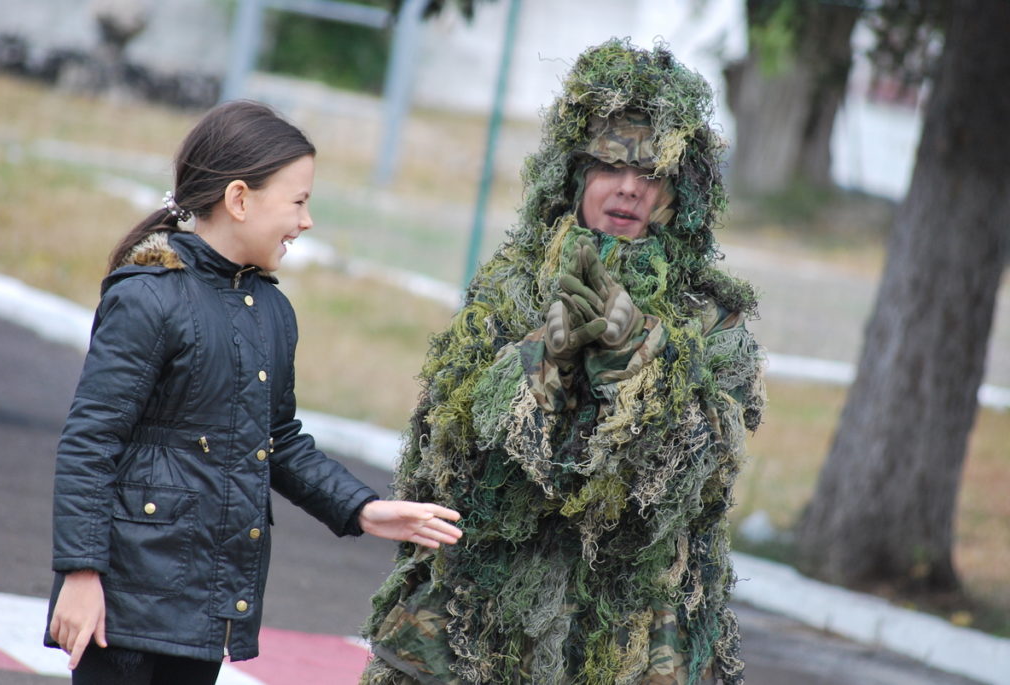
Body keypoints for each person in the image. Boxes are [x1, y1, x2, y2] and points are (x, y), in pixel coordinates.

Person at [360, 39, 765, 685]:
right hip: (479, 632)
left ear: (681, 192)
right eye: (609, 165)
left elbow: (690, 476)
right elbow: (451, 456)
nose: (629, 188)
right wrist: (543, 360)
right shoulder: (512, 287)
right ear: (575, 174)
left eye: (652, 173)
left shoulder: (712, 320)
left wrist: (632, 354)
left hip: (628, 636)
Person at [44, 100, 463, 684]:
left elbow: (278, 441)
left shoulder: (272, 310)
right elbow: (91, 443)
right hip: (122, 612)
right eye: (298, 202)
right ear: (239, 199)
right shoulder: (148, 297)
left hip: (206, 611)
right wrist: (81, 575)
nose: (306, 220)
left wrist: (363, 508)